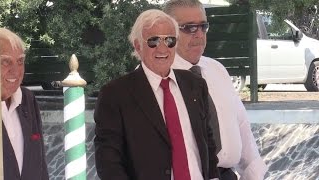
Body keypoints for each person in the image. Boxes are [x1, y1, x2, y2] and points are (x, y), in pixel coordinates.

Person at [94, 9, 220, 180]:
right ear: (138, 46)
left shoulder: (195, 84)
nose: (162, 48)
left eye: (169, 40)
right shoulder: (116, 94)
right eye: (153, 41)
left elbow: (208, 142)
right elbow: (108, 161)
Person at [162, 0, 268, 180]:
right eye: (189, 28)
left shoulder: (217, 70)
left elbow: (241, 126)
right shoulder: (153, 79)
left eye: (203, 26)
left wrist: (254, 174)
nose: (199, 35)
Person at [0, 28, 49, 179]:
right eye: (5, 62)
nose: (15, 71)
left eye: (20, 61)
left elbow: (40, 166)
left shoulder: (28, 100)